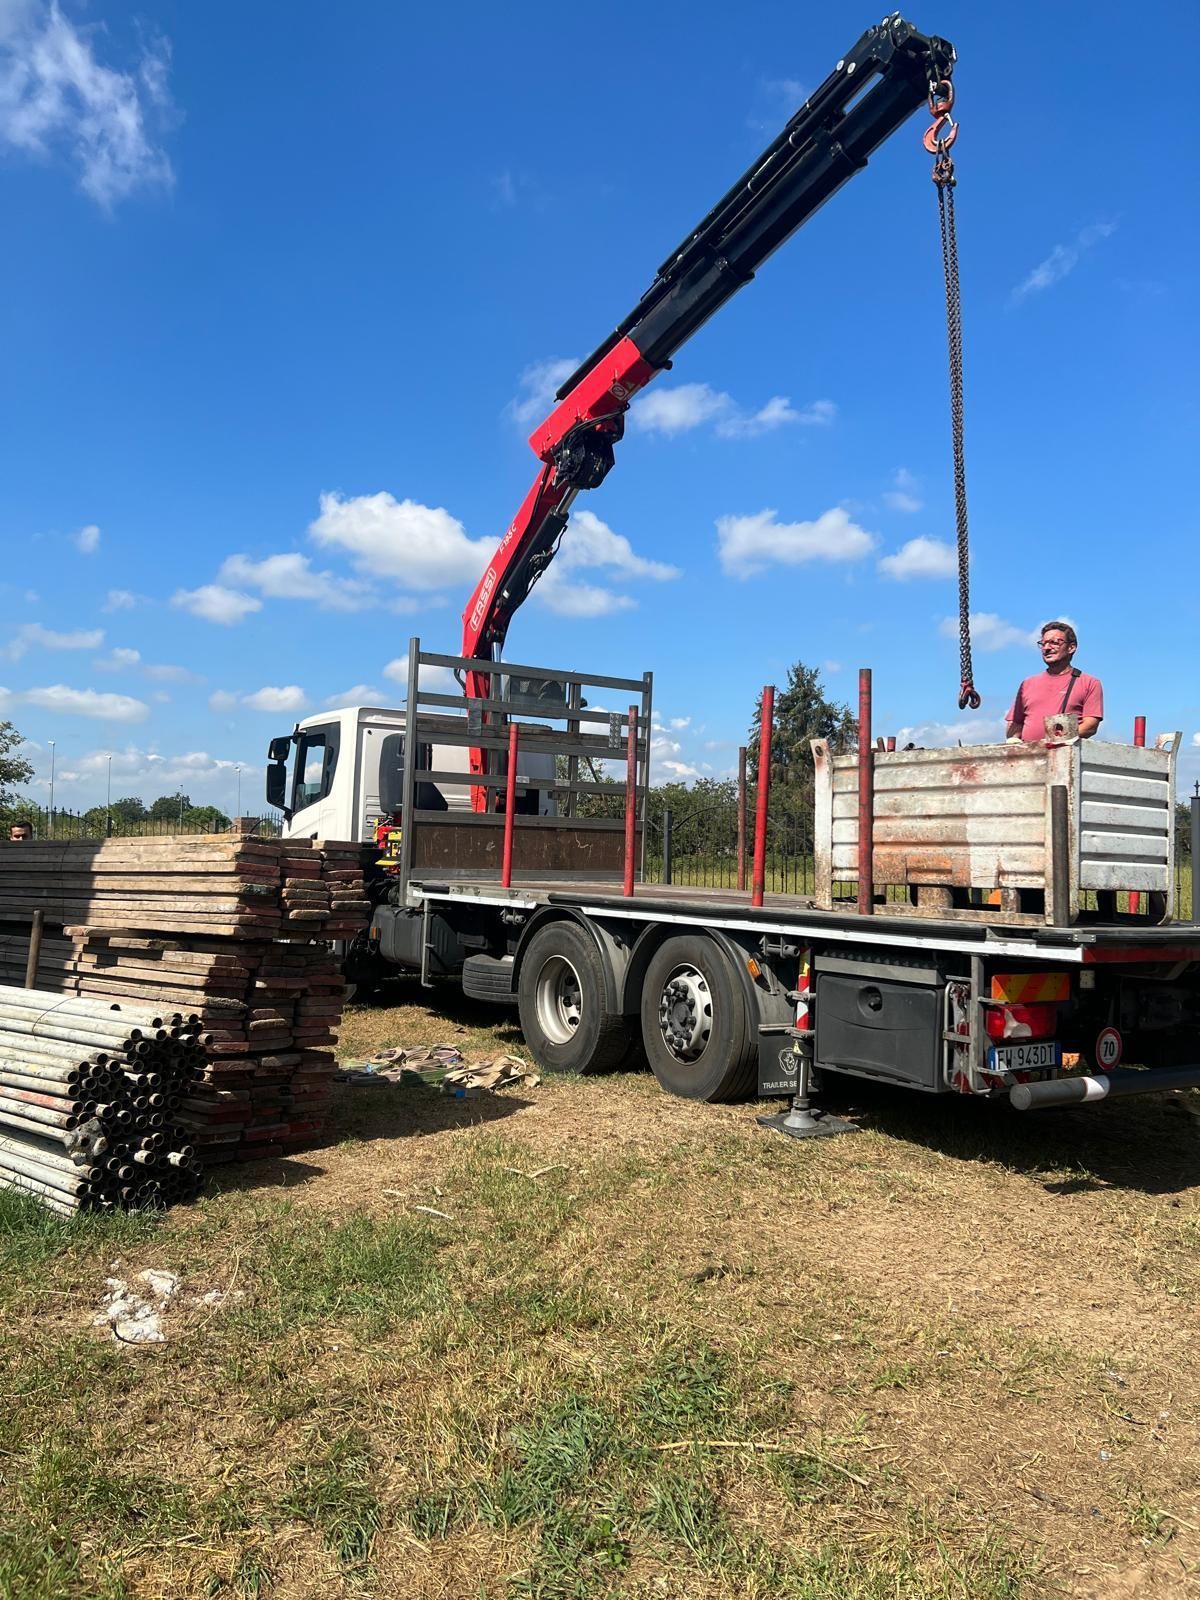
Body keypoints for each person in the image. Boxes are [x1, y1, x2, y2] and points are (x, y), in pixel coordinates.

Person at [1005, 621, 1103, 742]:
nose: (1046, 648)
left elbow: (1090, 726)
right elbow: (1015, 725)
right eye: (1043, 643)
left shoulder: (1089, 683)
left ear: (1071, 647)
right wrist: (1014, 742)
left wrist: (1056, 740)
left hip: (1066, 756)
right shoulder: (1027, 684)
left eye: (1054, 643)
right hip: (1030, 757)